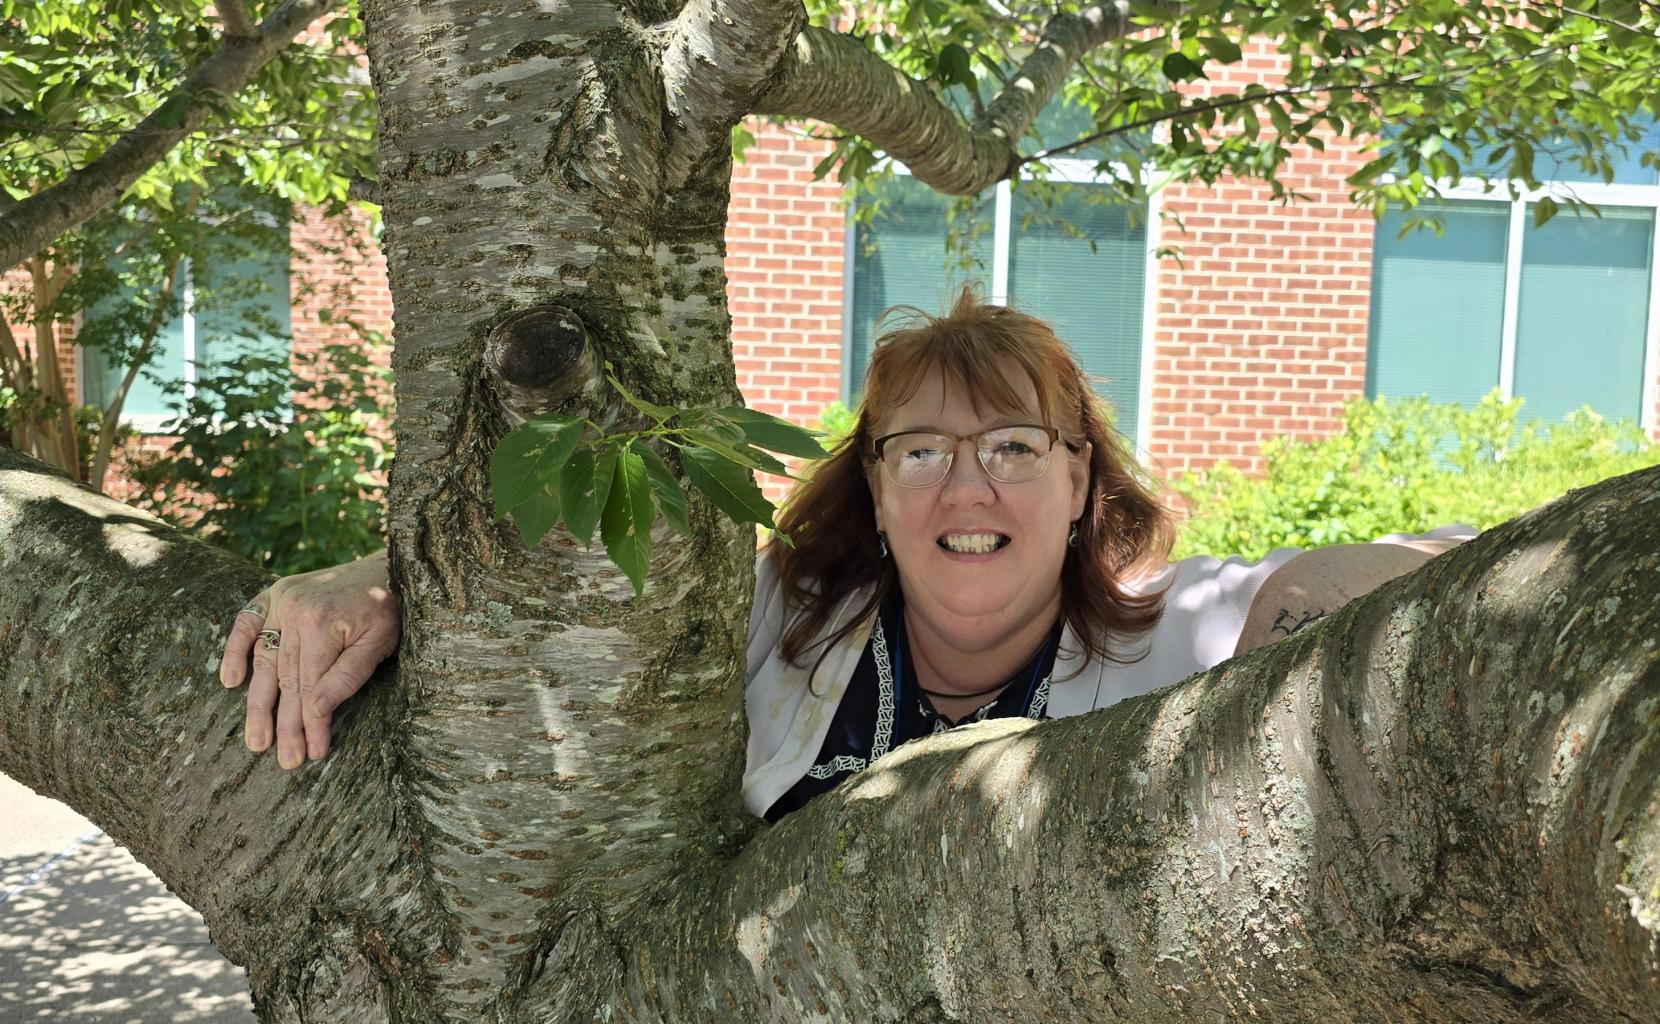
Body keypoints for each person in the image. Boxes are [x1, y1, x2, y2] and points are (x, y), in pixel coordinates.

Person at [220, 289, 1471, 821]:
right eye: (920, 449)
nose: (966, 484)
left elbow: (1319, 589)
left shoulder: (1162, 632)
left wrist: (1364, 589)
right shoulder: (769, 615)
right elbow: (554, 605)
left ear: (1082, 479)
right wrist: (369, 584)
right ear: (873, 489)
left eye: (1016, 448)